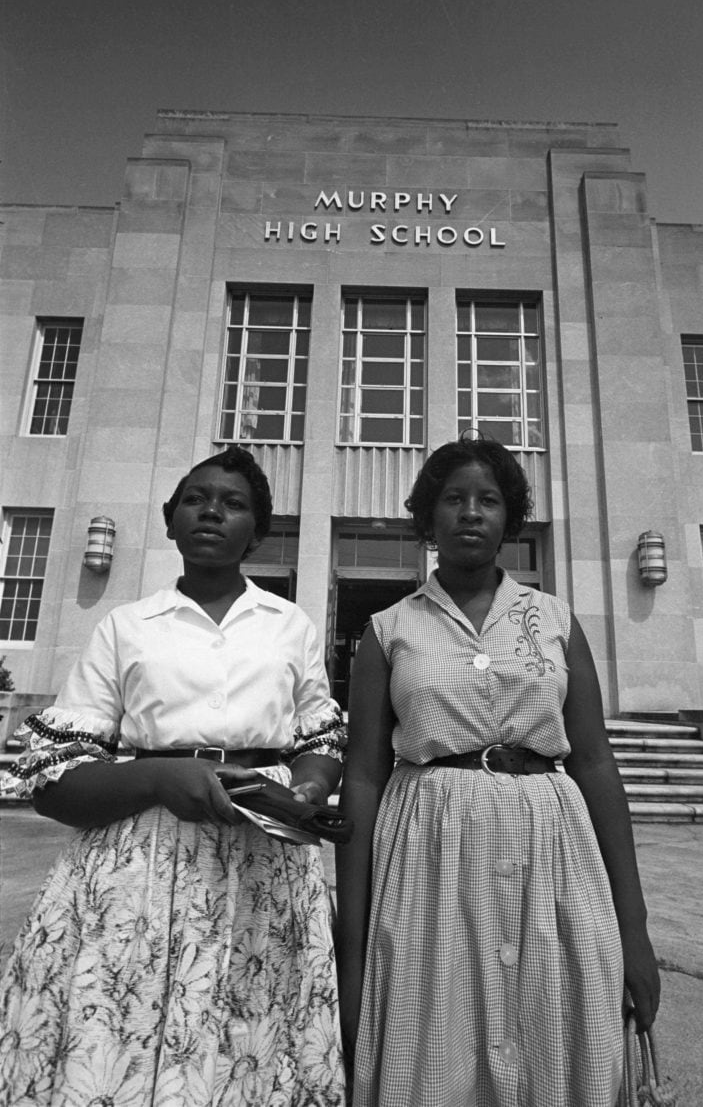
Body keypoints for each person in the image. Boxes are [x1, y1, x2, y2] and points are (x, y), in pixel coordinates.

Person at [0, 446, 346, 1107]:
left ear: (259, 530)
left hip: (260, 860)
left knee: (251, 1037)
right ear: (170, 521)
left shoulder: (288, 626)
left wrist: (302, 793)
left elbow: (320, 738)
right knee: (127, 1031)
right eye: (196, 498)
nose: (212, 511)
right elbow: (54, 782)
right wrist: (159, 779)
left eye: (233, 503)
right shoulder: (127, 628)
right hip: (141, 865)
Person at [336, 437, 660, 1107]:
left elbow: (596, 763)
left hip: (554, 853)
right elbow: (363, 777)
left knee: (559, 1025)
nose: (471, 513)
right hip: (429, 858)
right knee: (435, 1035)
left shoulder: (554, 622)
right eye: (453, 499)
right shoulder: (388, 630)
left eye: (488, 500)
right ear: (429, 518)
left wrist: (635, 929)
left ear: (510, 520)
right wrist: (354, 936)